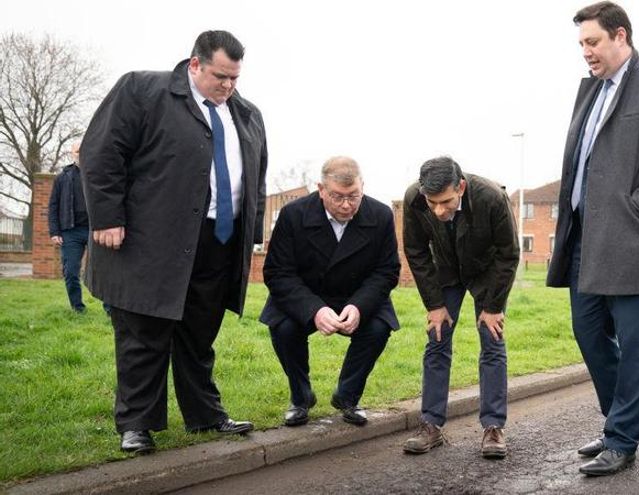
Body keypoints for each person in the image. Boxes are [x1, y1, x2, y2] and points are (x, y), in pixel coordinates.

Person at [80, 30, 267, 454]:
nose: (228, 86)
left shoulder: (248, 114)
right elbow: (101, 153)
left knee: (199, 333)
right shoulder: (143, 91)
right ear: (195, 64)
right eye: (221, 76)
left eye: (235, 78)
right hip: (151, 239)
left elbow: (255, 175)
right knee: (144, 330)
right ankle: (137, 424)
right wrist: (107, 216)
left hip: (219, 240)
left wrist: (249, 237)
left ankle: (205, 415)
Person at [545, 2, 639, 476]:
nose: (586, 52)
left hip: (632, 240)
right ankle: (619, 422)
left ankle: (622, 438)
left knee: (636, 344)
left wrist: (638, 207)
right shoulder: (589, 91)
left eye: (593, 42)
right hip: (584, 240)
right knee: (588, 333)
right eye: (581, 44)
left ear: (620, 36)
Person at [260, 156, 400, 427]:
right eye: (337, 197)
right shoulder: (293, 215)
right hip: (306, 294)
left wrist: (359, 306)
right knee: (283, 327)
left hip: (356, 294)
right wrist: (314, 309)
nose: (346, 205)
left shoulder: (381, 216)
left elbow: (387, 271)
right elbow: (277, 272)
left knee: (379, 327)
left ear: (363, 187)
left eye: (354, 196)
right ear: (321, 189)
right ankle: (301, 398)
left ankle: (348, 396)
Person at [401, 156, 519, 459]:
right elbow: (415, 251)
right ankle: (431, 424)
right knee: (437, 338)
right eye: (433, 203)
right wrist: (435, 304)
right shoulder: (414, 199)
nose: (439, 210)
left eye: (447, 202)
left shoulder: (492, 197)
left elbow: (509, 253)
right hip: (447, 272)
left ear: (461, 187)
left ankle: (493, 427)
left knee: (491, 339)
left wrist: (493, 306)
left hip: (487, 271)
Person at [48, 141, 108, 314]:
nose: (80, 154)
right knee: (71, 271)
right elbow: (53, 206)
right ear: (71, 153)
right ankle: (78, 308)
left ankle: (110, 308)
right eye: (77, 151)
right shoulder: (62, 178)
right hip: (70, 232)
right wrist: (55, 231)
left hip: (95, 229)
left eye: (84, 150)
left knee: (104, 270)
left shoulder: (99, 174)